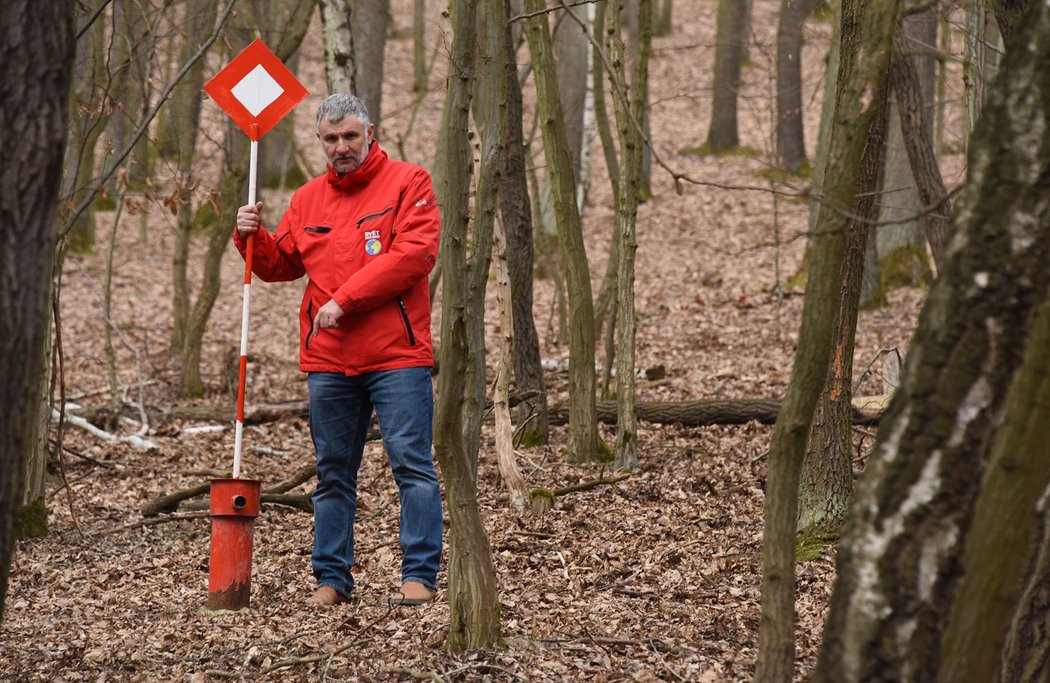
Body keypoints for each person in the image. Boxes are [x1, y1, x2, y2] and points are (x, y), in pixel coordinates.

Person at [233, 93, 443, 607]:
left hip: (397, 356)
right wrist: (251, 239)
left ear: (370, 132)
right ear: (320, 142)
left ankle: (419, 576)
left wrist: (344, 301)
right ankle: (331, 579)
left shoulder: (409, 182)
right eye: (331, 139)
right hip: (329, 360)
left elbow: (414, 255)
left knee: (412, 466)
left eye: (350, 135)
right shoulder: (307, 199)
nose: (341, 147)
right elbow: (282, 264)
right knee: (332, 473)